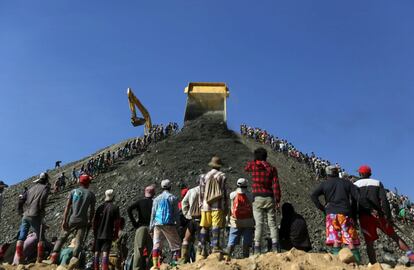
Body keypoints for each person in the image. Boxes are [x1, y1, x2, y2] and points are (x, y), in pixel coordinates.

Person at [354, 165, 414, 264]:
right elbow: (384, 201)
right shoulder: (377, 183)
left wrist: (355, 219)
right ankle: (412, 257)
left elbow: (354, 202)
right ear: (370, 174)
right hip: (379, 216)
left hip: (364, 217)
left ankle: (373, 265)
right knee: (395, 236)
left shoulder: (355, 184)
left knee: (369, 243)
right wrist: (388, 217)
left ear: (360, 174)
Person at [310, 166, 361, 263]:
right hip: (345, 213)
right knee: (349, 239)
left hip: (331, 214)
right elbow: (357, 196)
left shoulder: (325, 184)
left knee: (336, 239)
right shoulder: (346, 183)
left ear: (327, 173)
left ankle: (336, 263)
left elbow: (313, 195)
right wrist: (354, 212)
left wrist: (323, 208)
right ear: (337, 172)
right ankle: (358, 262)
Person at [49, 173, 96, 268]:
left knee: (62, 237)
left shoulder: (73, 191)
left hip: (72, 219)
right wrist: (90, 221)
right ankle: (73, 262)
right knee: (79, 242)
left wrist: (64, 220)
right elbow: (92, 210)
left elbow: (67, 207)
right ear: (88, 183)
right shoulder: (91, 194)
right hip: (83, 221)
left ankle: (53, 257)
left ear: (80, 182)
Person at [244, 147, 281, 253]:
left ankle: (257, 248)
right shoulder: (272, 169)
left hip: (257, 198)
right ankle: (275, 247)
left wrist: (255, 160)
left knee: (259, 224)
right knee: (272, 224)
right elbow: (276, 185)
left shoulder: (253, 165)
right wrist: (277, 200)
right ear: (266, 156)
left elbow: (246, 168)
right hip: (269, 198)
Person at [13, 173, 50, 265]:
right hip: (35, 214)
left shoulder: (30, 189)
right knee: (40, 237)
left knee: (21, 237)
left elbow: (20, 200)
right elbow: (42, 200)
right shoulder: (45, 188)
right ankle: (39, 260)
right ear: (46, 180)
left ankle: (20, 259)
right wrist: (41, 211)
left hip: (26, 214)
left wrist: (20, 212)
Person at [199, 156, 227, 257]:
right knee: (216, 226)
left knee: (204, 227)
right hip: (218, 205)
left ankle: (203, 248)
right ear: (219, 166)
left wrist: (201, 204)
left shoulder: (203, 176)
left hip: (206, 205)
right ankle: (215, 246)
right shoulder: (222, 176)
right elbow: (223, 192)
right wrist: (225, 205)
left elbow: (201, 192)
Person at [149, 179, 181, 269]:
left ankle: (155, 266)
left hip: (157, 224)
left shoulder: (156, 199)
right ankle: (175, 264)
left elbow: (153, 213)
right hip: (169, 223)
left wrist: (151, 226)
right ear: (170, 187)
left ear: (162, 187)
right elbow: (176, 214)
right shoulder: (173, 198)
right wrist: (178, 225)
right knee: (176, 244)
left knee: (156, 243)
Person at [225, 178, 254, 259]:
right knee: (246, 241)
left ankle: (228, 257)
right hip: (248, 221)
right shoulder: (250, 195)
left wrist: (227, 221)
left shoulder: (232, 195)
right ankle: (246, 258)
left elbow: (230, 209)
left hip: (235, 221)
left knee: (231, 241)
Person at [127, 185, 155, 270]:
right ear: (153, 193)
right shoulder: (155, 202)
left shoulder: (140, 202)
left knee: (138, 251)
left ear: (145, 192)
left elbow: (129, 209)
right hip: (151, 228)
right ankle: (151, 268)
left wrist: (134, 223)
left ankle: (136, 268)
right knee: (151, 251)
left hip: (141, 227)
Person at [93, 189, 121, 270]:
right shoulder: (115, 208)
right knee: (105, 253)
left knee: (96, 253)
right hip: (108, 233)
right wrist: (115, 234)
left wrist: (95, 233)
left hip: (98, 233)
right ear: (113, 197)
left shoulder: (100, 208)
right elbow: (117, 223)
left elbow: (94, 222)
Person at [179, 185, 201, 264]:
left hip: (192, 220)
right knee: (201, 240)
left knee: (185, 239)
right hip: (202, 220)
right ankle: (199, 259)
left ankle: (183, 259)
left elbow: (184, 202)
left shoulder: (191, 191)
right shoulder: (206, 191)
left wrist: (187, 215)